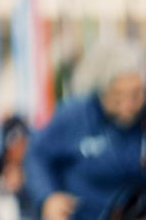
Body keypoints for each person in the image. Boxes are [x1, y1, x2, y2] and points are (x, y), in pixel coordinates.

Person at [27, 40, 146, 220]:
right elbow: (36, 154)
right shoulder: (75, 115)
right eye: (118, 95)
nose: (127, 105)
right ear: (101, 90)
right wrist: (47, 197)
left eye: (136, 94)